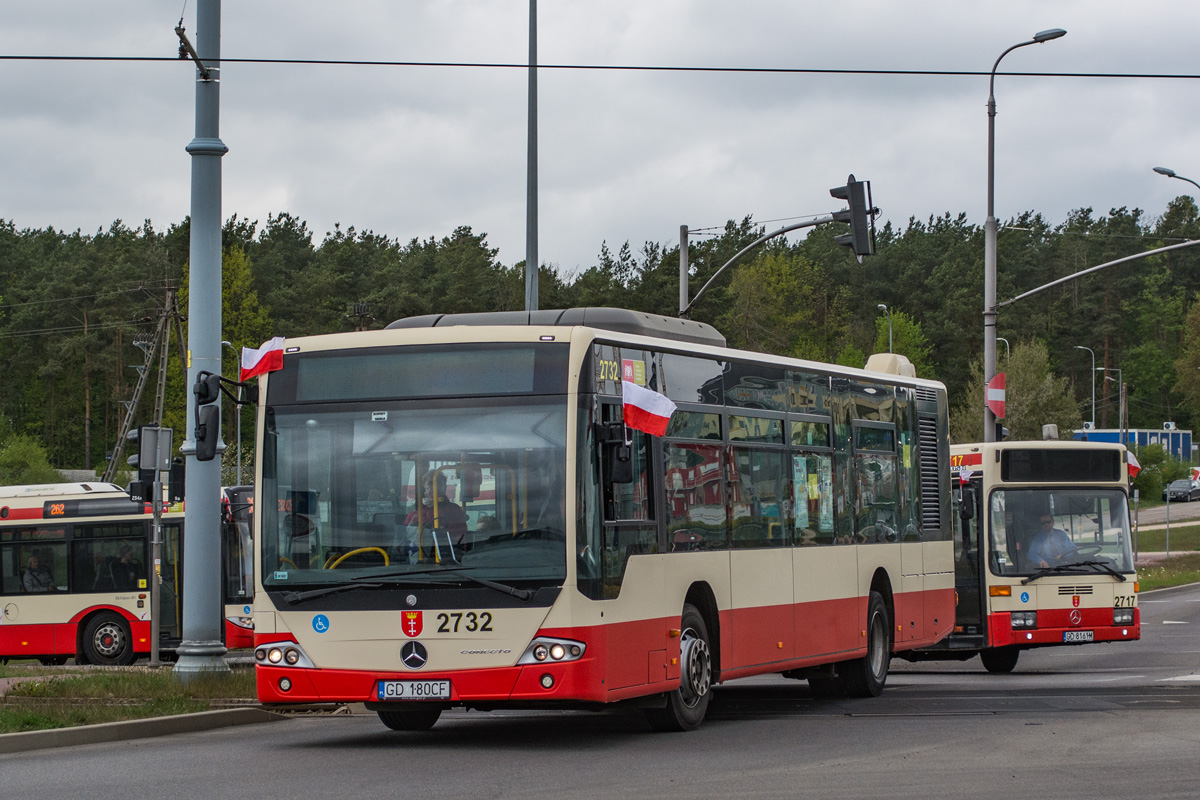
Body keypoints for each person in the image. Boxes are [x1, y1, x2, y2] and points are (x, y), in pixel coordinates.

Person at [406, 469, 468, 544]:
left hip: (445, 553)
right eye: (430, 484)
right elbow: (404, 540)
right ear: (424, 489)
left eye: (438, 483)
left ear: (444, 487)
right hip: (419, 554)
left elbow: (459, 537)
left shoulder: (454, 510)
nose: (435, 487)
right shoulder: (414, 514)